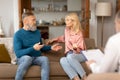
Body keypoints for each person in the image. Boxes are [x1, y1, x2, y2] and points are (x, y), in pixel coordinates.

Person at [13, 11, 62, 80]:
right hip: (23, 58)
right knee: (28, 58)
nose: (35, 22)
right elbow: (18, 53)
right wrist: (32, 48)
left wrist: (51, 47)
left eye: (35, 20)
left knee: (44, 59)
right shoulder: (18, 34)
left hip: (36, 58)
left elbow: (41, 46)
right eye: (33, 20)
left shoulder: (37, 32)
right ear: (25, 21)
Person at [47, 13, 87, 80]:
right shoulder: (67, 30)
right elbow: (64, 38)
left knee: (70, 56)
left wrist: (75, 48)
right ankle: (76, 78)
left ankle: (84, 76)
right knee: (62, 60)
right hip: (70, 54)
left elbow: (81, 49)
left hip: (80, 54)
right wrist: (54, 39)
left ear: (73, 21)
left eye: (68, 20)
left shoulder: (79, 33)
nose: (66, 22)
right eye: (66, 20)